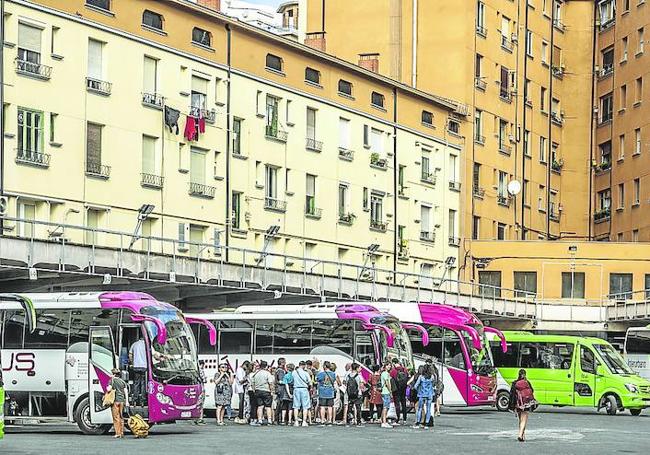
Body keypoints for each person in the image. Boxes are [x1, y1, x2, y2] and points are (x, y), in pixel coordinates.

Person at [508, 369, 538, 442]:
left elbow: (512, 395)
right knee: (524, 420)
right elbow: (532, 391)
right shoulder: (527, 382)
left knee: (520, 420)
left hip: (518, 404)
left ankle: (522, 435)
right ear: (525, 374)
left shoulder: (515, 383)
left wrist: (511, 406)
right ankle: (520, 435)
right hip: (526, 404)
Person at [251, 360, 274, 425]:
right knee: (268, 406)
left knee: (260, 406)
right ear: (266, 366)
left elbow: (252, 383)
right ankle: (269, 420)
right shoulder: (267, 373)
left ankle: (260, 420)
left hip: (257, 391)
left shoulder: (256, 373)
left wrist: (254, 390)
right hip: (266, 391)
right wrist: (272, 391)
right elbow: (270, 383)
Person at [315, 361, 338, 426]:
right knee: (330, 407)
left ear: (324, 366)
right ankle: (330, 420)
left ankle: (322, 420)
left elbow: (317, 380)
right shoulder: (333, 374)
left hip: (322, 391)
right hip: (330, 392)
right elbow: (333, 380)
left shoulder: (321, 374)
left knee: (322, 406)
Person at [107, 368, 128, 439]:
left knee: (116, 417)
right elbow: (126, 391)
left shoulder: (112, 380)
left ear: (114, 374)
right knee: (121, 417)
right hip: (122, 400)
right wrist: (127, 401)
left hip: (115, 401)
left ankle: (117, 433)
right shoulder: (122, 381)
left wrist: (107, 387)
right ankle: (121, 432)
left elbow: (108, 389)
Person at [412, 364, 434, 429]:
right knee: (428, 409)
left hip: (421, 394)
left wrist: (418, 390)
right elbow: (433, 384)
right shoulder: (432, 377)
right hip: (430, 394)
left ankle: (418, 423)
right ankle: (426, 424)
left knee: (420, 408)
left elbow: (416, 386)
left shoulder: (421, 377)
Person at [129, 336, 147, 407]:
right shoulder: (146, 344)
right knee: (143, 383)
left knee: (136, 383)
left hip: (136, 366)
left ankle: (134, 401)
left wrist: (132, 363)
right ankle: (142, 401)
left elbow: (130, 355)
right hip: (144, 367)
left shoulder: (134, 344)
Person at [292, 361, 312, 427]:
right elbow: (310, 382)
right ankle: (304, 421)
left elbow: (292, 381)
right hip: (304, 389)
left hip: (296, 389)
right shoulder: (305, 373)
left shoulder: (294, 372)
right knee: (305, 406)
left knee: (296, 406)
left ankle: (296, 421)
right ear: (303, 365)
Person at [390, 358, 409, 425]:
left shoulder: (393, 371)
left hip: (396, 390)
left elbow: (391, 380)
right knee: (403, 404)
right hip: (403, 389)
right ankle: (404, 419)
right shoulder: (404, 369)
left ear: (393, 363)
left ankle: (397, 419)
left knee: (397, 404)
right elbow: (407, 378)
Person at [274, 358, 287, 423]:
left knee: (279, 404)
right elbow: (281, 380)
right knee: (280, 404)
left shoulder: (277, 370)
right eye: (284, 362)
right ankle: (278, 418)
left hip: (278, 388)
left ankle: (277, 418)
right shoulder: (281, 371)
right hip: (281, 389)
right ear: (282, 363)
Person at [380, 363, 393, 429]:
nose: (389, 367)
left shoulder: (383, 373)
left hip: (384, 391)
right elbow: (387, 383)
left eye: (390, 365)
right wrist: (390, 391)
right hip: (386, 391)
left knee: (385, 407)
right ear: (385, 366)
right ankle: (384, 422)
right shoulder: (386, 374)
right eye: (388, 365)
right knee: (386, 407)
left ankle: (382, 420)